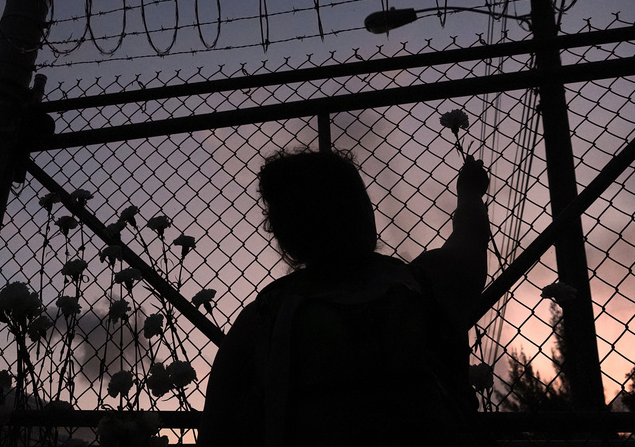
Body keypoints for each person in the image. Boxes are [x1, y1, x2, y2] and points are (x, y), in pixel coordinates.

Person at [199, 148, 490, 446]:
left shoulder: (261, 319)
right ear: (363, 211)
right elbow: (471, 240)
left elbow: (216, 428)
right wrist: (469, 194)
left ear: (283, 235)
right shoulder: (423, 286)